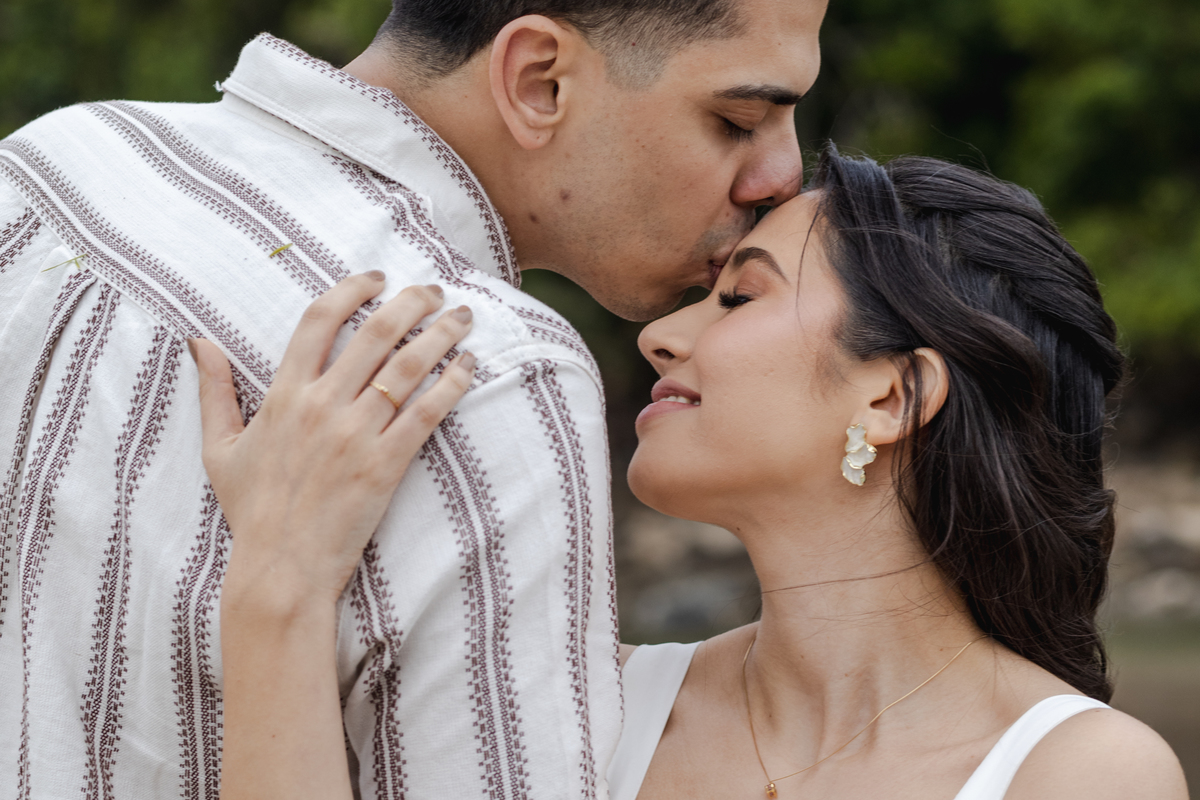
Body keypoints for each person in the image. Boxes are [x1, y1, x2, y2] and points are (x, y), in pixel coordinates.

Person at [0, 1, 824, 797]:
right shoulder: (481, 374)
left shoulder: (51, 163)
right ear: (540, 80)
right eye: (738, 120)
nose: (783, 176)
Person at [192, 147, 1189, 800]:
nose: (663, 337)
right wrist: (278, 580)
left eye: (740, 297)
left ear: (889, 397)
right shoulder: (598, 706)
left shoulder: (1079, 773)